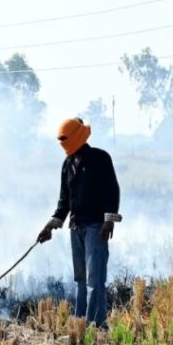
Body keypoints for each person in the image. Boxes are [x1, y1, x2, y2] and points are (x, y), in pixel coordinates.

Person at [37, 117, 121, 327]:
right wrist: (50, 226)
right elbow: (64, 201)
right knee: (81, 280)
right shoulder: (67, 165)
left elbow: (112, 191)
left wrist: (109, 221)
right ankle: (82, 324)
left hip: (96, 227)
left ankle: (96, 326)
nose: (63, 143)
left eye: (65, 139)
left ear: (76, 137)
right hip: (76, 228)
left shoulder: (100, 158)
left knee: (95, 280)